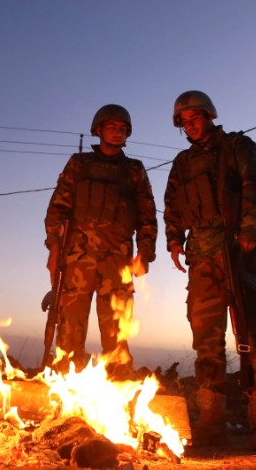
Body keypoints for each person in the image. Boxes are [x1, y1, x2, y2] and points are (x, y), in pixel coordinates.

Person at [163, 91, 256, 450]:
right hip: (202, 257)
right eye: (184, 119)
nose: (191, 123)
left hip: (239, 251)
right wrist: (174, 241)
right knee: (206, 341)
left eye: (196, 116)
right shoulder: (181, 163)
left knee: (254, 334)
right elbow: (172, 207)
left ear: (209, 115)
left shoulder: (238, 146)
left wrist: (248, 232)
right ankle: (212, 422)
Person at [42, 104, 157, 379]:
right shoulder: (78, 164)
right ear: (98, 130)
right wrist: (53, 249)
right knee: (70, 327)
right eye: (112, 127)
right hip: (77, 257)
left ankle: (119, 388)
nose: (117, 133)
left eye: (122, 129)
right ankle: (67, 386)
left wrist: (146, 252)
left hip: (117, 260)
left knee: (116, 329)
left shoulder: (134, 170)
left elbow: (147, 215)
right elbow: (57, 207)